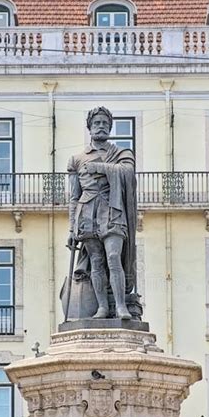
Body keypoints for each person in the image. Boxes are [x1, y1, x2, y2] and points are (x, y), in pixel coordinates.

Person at [66, 106, 138, 320]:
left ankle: (121, 306)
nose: (101, 126)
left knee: (114, 256)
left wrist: (101, 168)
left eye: (105, 123)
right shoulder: (77, 159)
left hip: (113, 209)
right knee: (96, 261)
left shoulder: (122, 154)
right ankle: (102, 308)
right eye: (97, 123)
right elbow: (73, 196)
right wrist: (71, 228)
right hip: (86, 211)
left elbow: (128, 172)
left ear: (110, 127)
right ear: (89, 127)